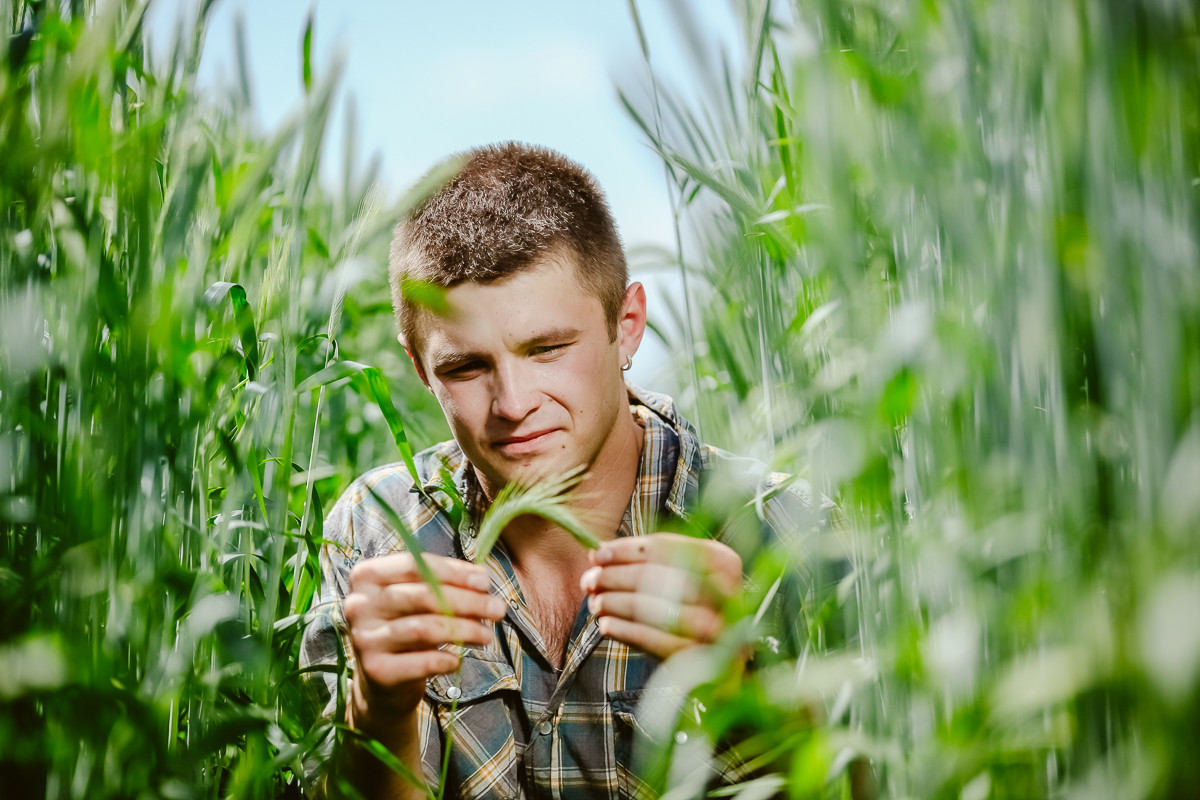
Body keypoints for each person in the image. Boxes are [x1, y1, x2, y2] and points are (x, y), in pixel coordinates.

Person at [300, 142, 831, 800]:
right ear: (418, 367)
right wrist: (376, 711)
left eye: (547, 349)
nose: (514, 404)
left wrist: (741, 686)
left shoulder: (784, 530)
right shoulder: (376, 530)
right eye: (466, 367)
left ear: (627, 325)